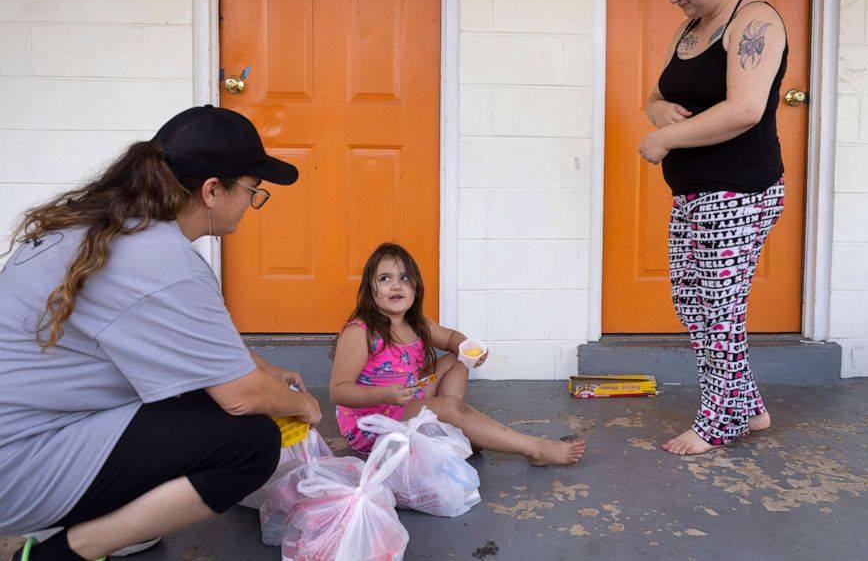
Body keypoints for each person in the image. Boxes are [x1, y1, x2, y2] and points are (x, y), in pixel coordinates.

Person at [0, 105, 322, 561]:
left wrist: (267, 368)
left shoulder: (103, 228)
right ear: (213, 190)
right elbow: (242, 397)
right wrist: (305, 405)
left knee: (193, 393)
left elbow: (197, 347)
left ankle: (106, 515)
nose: (253, 204)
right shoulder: (161, 261)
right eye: (254, 191)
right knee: (251, 442)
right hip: (19, 467)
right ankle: (68, 550)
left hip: (24, 433)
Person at [637, 0, 787, 455]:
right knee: (692, 301)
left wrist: (665, 141)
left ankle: (719, 421)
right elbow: (656, 95)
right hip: (696, 193)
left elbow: (745, 109)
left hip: (740, 189)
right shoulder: (691, 29)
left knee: (719, 306)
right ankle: (749, 407)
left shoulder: (756, 22)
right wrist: (657, 116)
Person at [329, 243, 586, 466]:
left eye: (405, 278)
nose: (396, 285)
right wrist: (383, 394)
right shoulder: (361, 332)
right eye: (385, 278)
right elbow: (338, 391)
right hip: (374, 420)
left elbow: (450, 339)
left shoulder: (416, 322)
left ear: (416, 288)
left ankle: (452, 429)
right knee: (450, 407)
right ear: (369, 290)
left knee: (456, 361)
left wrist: (467, 347)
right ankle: (535, 449)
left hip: (406, 399)